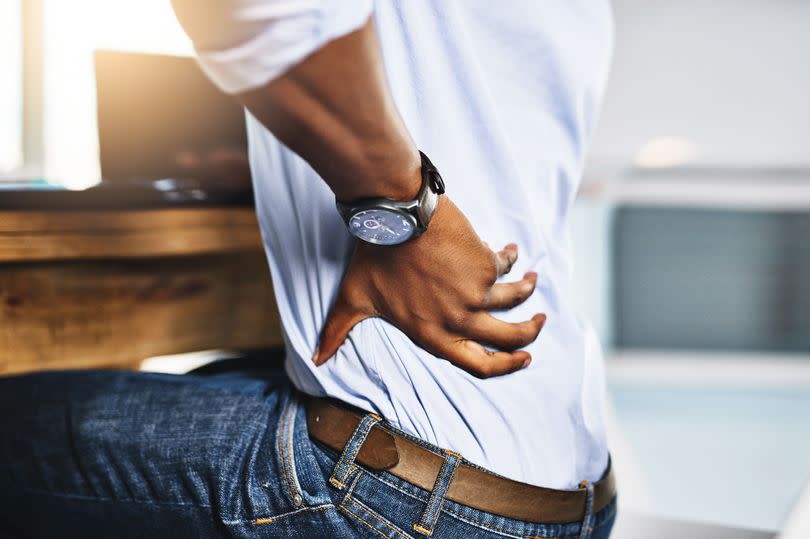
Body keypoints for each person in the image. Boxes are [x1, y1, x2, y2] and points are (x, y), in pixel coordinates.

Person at [0, 1, 616, 537]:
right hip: (572, 488)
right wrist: (293, 169)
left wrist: (401, 207)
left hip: (409, 498)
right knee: (217, 374)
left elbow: (269, 12)